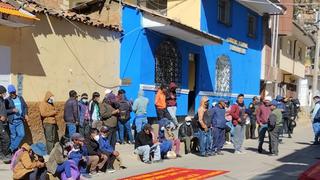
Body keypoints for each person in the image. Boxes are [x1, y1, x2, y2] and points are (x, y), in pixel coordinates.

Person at [5, 85, 28, 153]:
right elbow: (5, 110)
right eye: (11, 93)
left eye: (13, 92)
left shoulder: (20, 98)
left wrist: (26, 114)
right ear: (9, 93)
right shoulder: (7, 100)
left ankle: (11, 148)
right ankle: (14, 152)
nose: (12, 94)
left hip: (20, 120)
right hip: (12, 121)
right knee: (13, 136)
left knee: (21, 134)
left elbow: (25, 107)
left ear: (15, 91)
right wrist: (12, 110)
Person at [0, 85, 11, 163]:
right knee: (6, 138)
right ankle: (4, 154)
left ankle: (2, 154)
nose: (4, 94)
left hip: (3, 122)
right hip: (0, 122)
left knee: (3, 139)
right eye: (3, 92)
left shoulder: (2, 99)